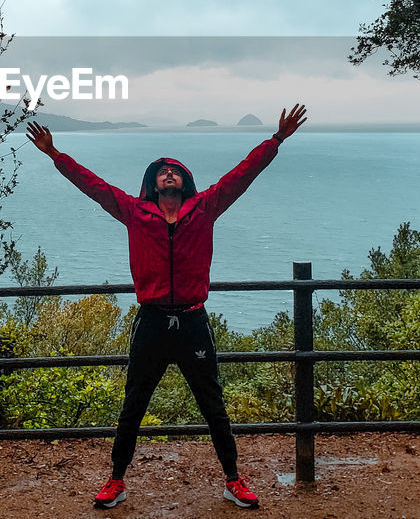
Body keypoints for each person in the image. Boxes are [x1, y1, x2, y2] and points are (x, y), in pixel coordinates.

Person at [25, 104, 308, 510]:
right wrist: (56, 154)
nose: (168, 173)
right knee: (133, 405)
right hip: (152, 323)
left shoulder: (205, 208)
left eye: (175, 170)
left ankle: (233, 479)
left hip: (193, 320)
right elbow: (94, 185)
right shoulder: (135, 213)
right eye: (161, 171)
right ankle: (116, 480)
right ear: (152, 183)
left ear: (185, 181)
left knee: (213, 405)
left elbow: (242, 174)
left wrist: (276, 139)